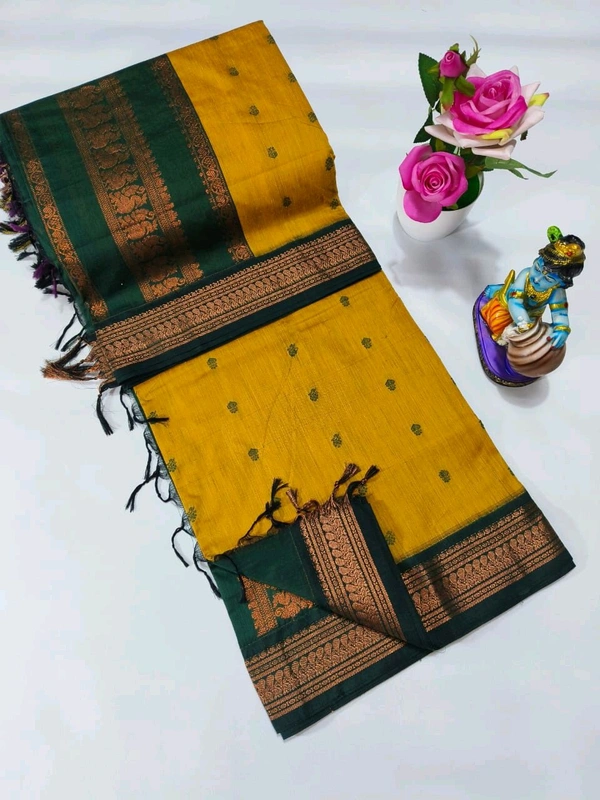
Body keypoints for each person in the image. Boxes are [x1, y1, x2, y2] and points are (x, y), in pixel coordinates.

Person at [480, 229, 585, 349]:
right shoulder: (525, 275)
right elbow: (514, 302)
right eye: (537, 269)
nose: (537, 279)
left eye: (548, 279)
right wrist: (524, 323)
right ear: (536, 260)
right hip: (509, 307)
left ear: (560, 283)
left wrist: (562, 329)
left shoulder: (557, 291)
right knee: (497, 324)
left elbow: (560, 313)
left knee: (536, 342)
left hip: (531, 317)